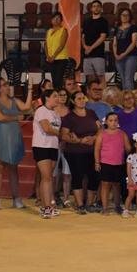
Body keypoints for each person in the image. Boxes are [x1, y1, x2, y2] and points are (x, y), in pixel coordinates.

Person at [0, 77, 33, 210]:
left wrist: (30, 90)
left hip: (13, 137)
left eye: (7, 84)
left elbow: (26, 107)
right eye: (4, 85)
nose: (7, 87)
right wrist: (16, 117)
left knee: (14, 168)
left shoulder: (14, 100)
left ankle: (16, 198)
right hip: (0, 137)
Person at [60, 90, 102, 214]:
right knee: (77, 176)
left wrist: (94, 138)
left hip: (92, 150)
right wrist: (79, 140)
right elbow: (64, 135)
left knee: (94, 176)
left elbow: (100, 129)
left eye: (83, 98)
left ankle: (89, 203)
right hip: (75, 151)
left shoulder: (91, 113)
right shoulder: (69, 117)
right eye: (79, 98)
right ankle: (79, 205)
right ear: (73, 101)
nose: (82, 100)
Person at [32, 89, 62, 219]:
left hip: (53, 147)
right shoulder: (41, 110)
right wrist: (61, 134)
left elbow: (54, 129)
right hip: (41, 146)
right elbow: (46, 128)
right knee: (46, 177)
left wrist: (58, 133)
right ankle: (45, 207)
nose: (57, 98)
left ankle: (50, 204)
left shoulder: (56, 114)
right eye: (55, 96)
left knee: (50, 177)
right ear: (47, 98)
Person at [94, 112, 132, 215]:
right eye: (111, 120)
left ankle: (117, 205)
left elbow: (128, 148)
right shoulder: (102, 134)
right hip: (105, 163)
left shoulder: (122, 133)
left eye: (115, 120)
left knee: (117, 185)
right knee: (105, 185)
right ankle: (105, 207)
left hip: (119, 163)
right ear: (106, 122)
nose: (113, 122)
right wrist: (97, 162)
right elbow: (97, 148)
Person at [81, 0, 109, 87]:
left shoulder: (103, 21)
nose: (96, 8)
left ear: (101, 8)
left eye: (98, 6)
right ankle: (92, 99)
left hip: (98, 54)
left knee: (101, 78)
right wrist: (85, 46)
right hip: (87, 55)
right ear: (91, 8)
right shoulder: (86, 21)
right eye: (94, 6)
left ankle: (102, 98)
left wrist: (91, 48)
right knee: (90, 79)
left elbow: (102, 37)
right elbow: (83, 36)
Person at [54, 89, 73, 208]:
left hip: (67, 145)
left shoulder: (70, 112)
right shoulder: (52, 111)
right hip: (53, 144)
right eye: (60, 95)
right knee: (54, 173)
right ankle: (52, 196)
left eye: (65, 95)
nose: (63, 97)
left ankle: (66, 199)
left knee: (67, 173)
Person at [112, 8, 137, 90]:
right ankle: (125, 100)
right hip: (118, 56)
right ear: (120, 16)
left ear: (130, 17)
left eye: (127, 15)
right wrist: (116, 55)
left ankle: (130, 100)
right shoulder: (117, 28)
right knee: (123, 80)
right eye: (123, 15)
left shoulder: (133, 27)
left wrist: (124, 54)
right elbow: (114, 43)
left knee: (128, 79)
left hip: (131, 56)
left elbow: (133, 42)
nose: (125, 17)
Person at [45, 11, 69, 89]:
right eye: (55, 18)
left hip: (61, 59)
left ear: (61, 20)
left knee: (58, 80)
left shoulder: (63, 30)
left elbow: (61, 45)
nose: (56, 19)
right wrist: (48, 56)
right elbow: (46, 44)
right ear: (51, 20)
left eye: (59, 18)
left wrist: (53, 56)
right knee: (54, 80)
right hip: (50, 59)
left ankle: (59, 97)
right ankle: (56, 97)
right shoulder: (48, 31)